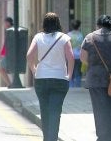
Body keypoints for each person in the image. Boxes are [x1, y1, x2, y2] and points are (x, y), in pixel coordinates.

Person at [80, 15, 111, 141]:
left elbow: (83, 58)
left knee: (99, 109)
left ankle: (102, 137)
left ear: (98, 25)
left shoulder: (89, 37)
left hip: (95, 80)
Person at [26, 12, 74, 141]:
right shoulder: (64, 38)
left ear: (44, 24)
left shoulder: (38, 37)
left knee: (45, 111)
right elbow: (70, 58)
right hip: (59, 79)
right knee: (55, 111)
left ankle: (47, 138)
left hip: (41, 78)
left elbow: (29, 56)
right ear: (58, 23)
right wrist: (69, 75)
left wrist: (34, 70)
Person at [68, 20, 84, 87]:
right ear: (79, 27)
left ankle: (71, 86)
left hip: (70, 55)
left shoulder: (68, 35)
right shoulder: (80, 35)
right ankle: (78, 86)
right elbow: (82, 46)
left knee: (70, 71)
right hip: (79, 55)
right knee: (78, 71)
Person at [0, 17, 13, 87]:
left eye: (5, 22)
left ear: (9, 23)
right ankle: (9, 84)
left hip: (10, 54)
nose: (4, 24)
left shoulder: (11, 31)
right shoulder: (7, 31)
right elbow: (6, 44)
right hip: (7, 54)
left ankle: (10, 84)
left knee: (1, 68)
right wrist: (2, 53)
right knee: (1, 69)